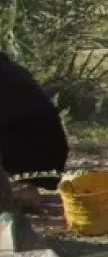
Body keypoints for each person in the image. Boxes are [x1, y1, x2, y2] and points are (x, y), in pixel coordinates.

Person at [0, 52, 69, 212]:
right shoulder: (6, 68)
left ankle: (22, 190)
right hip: (45, 156)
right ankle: (22, 190)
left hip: (36, 159)